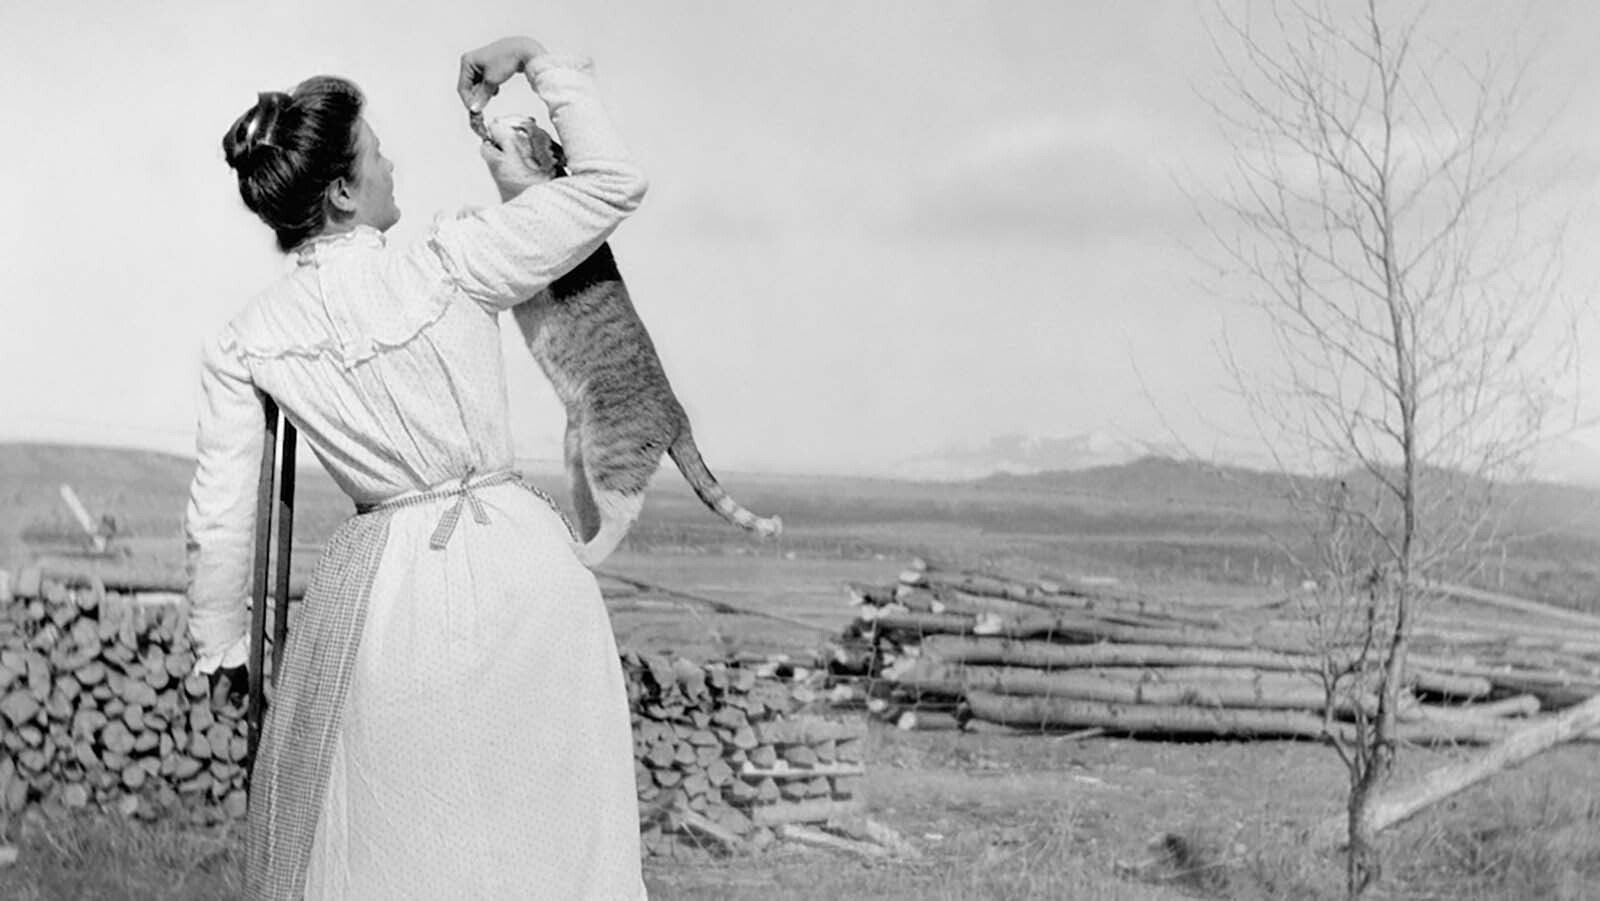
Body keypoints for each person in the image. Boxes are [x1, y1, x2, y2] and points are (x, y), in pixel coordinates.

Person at [183, 35, 649, 900]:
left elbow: (221, 513)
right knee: (546, 847)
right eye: (376, 151)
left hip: (389, 602)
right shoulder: (453, 258)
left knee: (407, 849)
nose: (393, 164)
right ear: (343, 192)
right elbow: (613, 182)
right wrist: (535, 60)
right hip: (525, 574)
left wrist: (220, 644)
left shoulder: (250, 336)